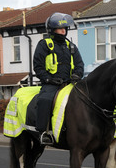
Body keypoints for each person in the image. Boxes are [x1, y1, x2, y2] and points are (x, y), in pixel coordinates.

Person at [33, 12, 84, 145]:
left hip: (70, 84)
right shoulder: (44, 44)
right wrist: (48, 79)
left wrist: (78, 74)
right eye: (60, 28)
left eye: (65, 28)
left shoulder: (71, 46)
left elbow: (79, 64)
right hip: (52, 84)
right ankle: (43, 132)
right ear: (52, 30)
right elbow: (38, 66)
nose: (63, 30)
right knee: (44, 100)